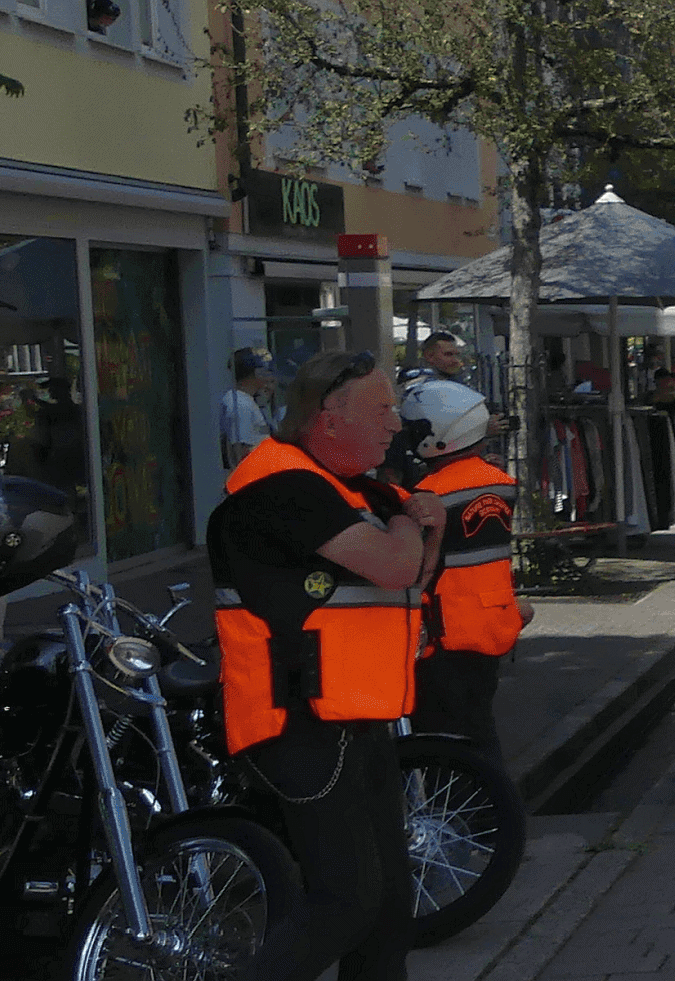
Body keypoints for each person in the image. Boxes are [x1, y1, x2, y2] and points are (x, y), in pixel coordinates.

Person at [209, 349, 445, 981]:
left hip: (352, 714)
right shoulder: (283, 485)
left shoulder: (357, 487)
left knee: (390, 903)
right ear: (328, 416)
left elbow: (416, 572)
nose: (398, 423)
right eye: (383, 407)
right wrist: (412, 524)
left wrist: (427, 525)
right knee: (346, 903)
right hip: (294, 719)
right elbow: (397, 564)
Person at [400, 380, 535, 757]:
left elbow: (415, 567)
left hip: (443, 633)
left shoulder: (429, 495)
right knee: (479, 729)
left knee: (445, 741)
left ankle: (476, 813)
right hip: (492, 622)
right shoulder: (500, 482)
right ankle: (494, 810)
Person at [221, 348, 276, 468]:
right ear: (256, 373)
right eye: (266, 370)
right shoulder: (240, 403)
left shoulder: (247, 400)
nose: (270, 375)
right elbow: (240, 451)